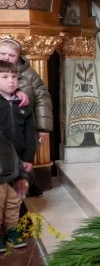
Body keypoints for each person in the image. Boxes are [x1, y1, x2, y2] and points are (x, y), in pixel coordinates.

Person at [0, 38, 53, 196]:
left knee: (24, 154)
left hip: (23, 118)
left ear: (18, 57)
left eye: (11, 55)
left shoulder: (29, 74)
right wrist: (16, 91)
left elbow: (42, 98)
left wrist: (43, 128)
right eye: (2, 53)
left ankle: (26, 184)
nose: (6, 57)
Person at [0, 60, 34, 250]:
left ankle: (12, 231)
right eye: (5, 77)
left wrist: (28, 157)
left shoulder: (22, 103)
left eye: (14, 76)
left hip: (18, 160)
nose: (11, 81)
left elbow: (30, 132)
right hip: (1, 161)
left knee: (14, 199)